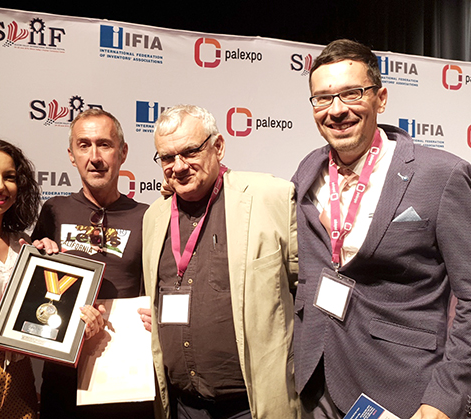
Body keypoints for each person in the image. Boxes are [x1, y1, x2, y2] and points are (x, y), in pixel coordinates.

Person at [290, 39, 471, 419]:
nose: (336, 110)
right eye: (322, 98)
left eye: (352, 93)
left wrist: (446, 398)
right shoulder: (308, 170)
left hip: (401, 390)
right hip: (316, 383)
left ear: (381, 98)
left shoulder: (441, 175)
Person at [142, 104, 299, 419]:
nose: (179, 166)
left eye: (190, 151)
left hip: (251, 406)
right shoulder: (154, 216)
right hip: (182, 406)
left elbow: (307, 292)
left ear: (218, 147)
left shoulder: (271, 197)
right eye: (168, 157)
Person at [32, 109, 153, 418]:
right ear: (71, 155)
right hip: (64, 374)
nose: (95, 157)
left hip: (125, 374)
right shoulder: (54, 210)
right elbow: (34, 290)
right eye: (84, 145)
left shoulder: (148, 216)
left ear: (122, 152)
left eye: (105, 144)